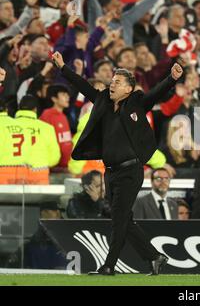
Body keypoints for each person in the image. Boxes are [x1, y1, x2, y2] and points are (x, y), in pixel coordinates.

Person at [51, 51, 183, 276]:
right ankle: (154, 256)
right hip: (110, 173)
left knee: (118, 220)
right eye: (112, 81)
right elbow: (84, 86)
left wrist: (171, 78)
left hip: (131, 171)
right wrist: (63, 68)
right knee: (122, 219)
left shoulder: (137, 103)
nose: (112, 84)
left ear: (128, 89)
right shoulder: (102, 100)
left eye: (117, 82)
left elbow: (156, 94)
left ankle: (109, 265)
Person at [39, 84, 73, 170]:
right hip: (54, 168)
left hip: (66, 166)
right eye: (63, 95)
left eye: (67, 95)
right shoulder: (47, 116)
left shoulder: (64, 116)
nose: (67, 97)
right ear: (54, 99)